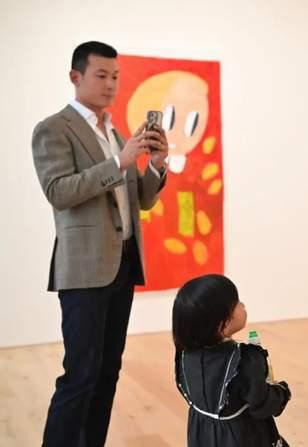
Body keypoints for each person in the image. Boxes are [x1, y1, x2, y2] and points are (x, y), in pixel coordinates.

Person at [31, 41, 168, 447]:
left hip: (123, 263)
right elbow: (59, 191)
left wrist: (156, 164)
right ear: (75, 77)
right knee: (80, 375)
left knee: (108, 371)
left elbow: (140, 200)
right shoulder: (53, 129)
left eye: (116, 76)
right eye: (101, 75)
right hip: (85, 268)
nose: (111, 84)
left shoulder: (114, 132)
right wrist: (119, 162)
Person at [172, 274, 291, 446]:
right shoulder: (244, 359)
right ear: (224, 323)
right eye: (237, 303)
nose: (243, 305)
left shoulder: (184, 355)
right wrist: (282, 392)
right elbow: (262, 404)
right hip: (242, 437)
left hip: (202, 434)